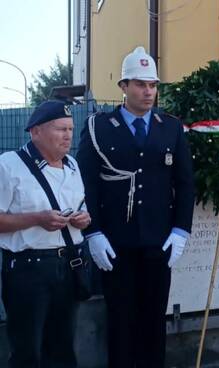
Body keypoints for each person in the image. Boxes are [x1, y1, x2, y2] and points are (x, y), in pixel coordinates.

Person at [76, 46, 194, 367]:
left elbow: (185, 183)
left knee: (154, 321)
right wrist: (93, 232)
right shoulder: (98, 127)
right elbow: (86, 184)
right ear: (123, 87)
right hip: (116, 244)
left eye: (153, 85)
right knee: (121, 322)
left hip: (159, 241)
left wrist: (181, 230)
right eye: (141, 84)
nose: (148, 91)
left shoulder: (170, 126)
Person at [0, 100, 90, 367]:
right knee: (28, 352)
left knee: (63, 349)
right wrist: (37, 219)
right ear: (35, 131)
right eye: (60, 128)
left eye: (71, 129)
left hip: (68, 265)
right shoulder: (9, 165)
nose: (68, 135)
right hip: (28, 270)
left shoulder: (72, 165)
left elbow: (81, 208)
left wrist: (83, 219)